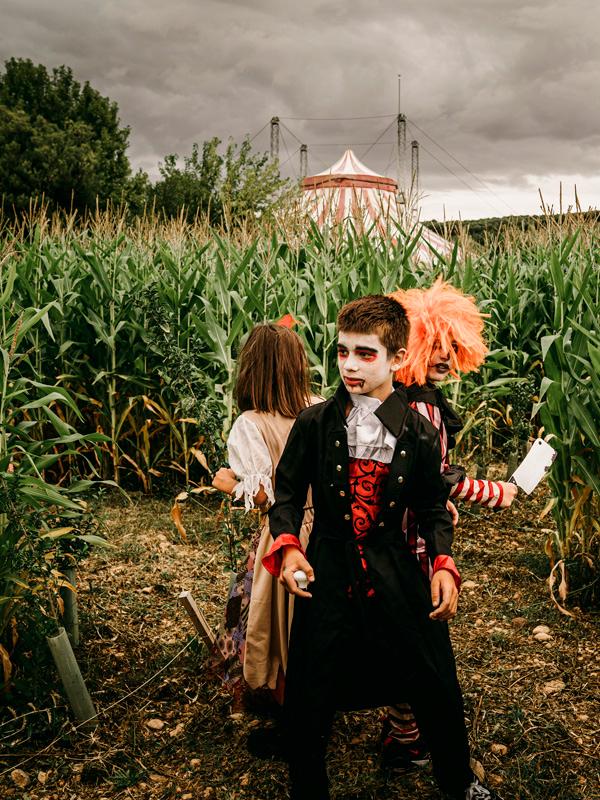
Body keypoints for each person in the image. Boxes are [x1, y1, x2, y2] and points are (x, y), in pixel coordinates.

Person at [262, 295, 493, 800]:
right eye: (342, 351)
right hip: (327, 565)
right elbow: (285, 496)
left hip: (392, 566)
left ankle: (458, 784)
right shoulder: (314, 423)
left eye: (365, 354)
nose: (349, 365)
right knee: (309, 691)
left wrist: (442, 564)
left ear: (394, 357)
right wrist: (289, 549)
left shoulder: (417, 431)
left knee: (436, 681)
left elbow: (433, 505)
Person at [380, 279, 518, 769]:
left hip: (395, 533)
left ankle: (403, 730)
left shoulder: (399, 396)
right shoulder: (421, 408)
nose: (443, 356)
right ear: (410, 345)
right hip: (408, 543)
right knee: (414, 640)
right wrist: (496, 491)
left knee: (399, 635)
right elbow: (434, 480)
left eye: (450, 346)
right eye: (432, 344)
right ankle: (408, 739)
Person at [211, 321, 317, 705]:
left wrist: (228, 484)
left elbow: (262, 495)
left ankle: (290, 707)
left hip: (285, 534)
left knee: (280, 623)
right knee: (315, 616)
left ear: (251, 370)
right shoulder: (320, 408)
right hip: (325, 528)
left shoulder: (250, 424)